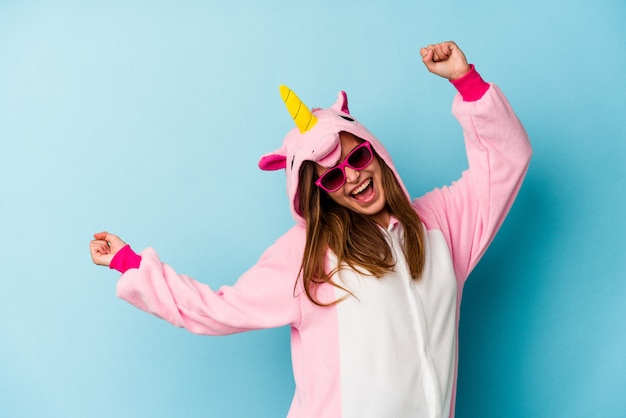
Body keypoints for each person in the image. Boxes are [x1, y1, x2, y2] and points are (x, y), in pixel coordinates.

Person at [90, 41, 532, 418]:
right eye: (334, 177)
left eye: (357, 158)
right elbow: (217, 309)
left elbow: (505, 164)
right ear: (321, 194)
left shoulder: (439, 227)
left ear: (374, 152)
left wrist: (467, 82)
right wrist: (130, 264)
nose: (353, 177)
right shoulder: (307, 256)